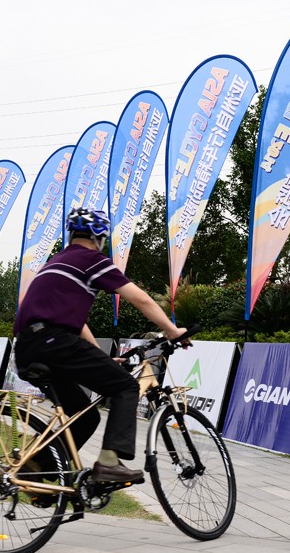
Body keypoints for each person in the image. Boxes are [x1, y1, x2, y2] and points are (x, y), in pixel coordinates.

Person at [13, 207, 187, 483]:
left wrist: (100, 356)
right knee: (126, 386)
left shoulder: (55, 262)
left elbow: (77, 323)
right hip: (55, 342)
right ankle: (109, 463)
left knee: (85, 417)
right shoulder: (91, 259)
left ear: (72, 234)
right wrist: (173, 331)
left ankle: (35, 466)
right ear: (99, 236)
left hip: (27, 347)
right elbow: (140, 299)